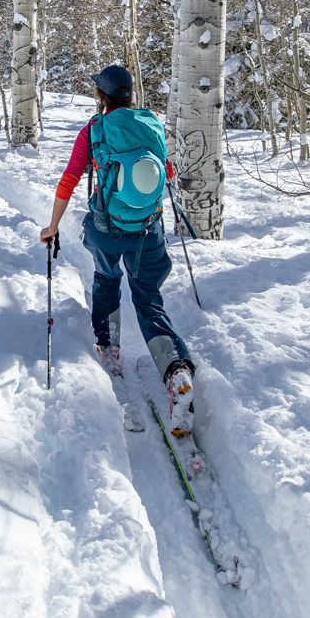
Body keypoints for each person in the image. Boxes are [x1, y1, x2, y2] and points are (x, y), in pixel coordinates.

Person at [39, 64, 196, 436]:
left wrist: (53, 226)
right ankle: (176, 371)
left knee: (107, 280)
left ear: (101, 97)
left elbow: (70, 178)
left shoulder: (94, 130)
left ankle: (109, 352)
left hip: (107, 230)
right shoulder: (153, 123)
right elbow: (167, 174)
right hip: (147, 229)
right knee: (148, 300)